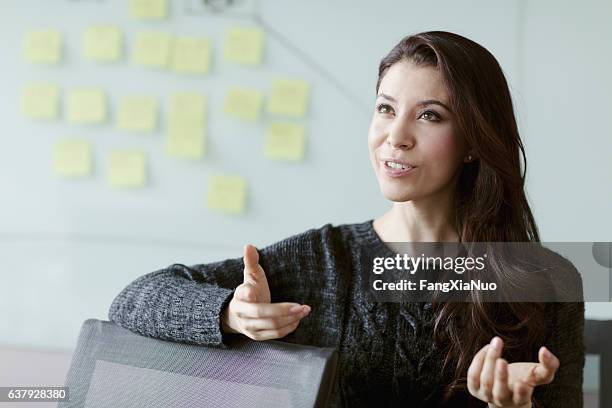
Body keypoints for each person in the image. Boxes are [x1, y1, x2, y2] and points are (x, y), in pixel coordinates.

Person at [108, 31, 584, 407]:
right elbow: (133, 298)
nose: (395, 137)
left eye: (431, 116)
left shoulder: (549, 281)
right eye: (385, 109)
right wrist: (231, 314)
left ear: (475, 141)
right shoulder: (324, 261)